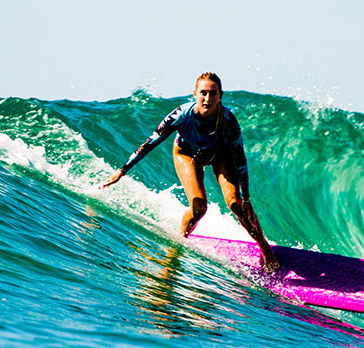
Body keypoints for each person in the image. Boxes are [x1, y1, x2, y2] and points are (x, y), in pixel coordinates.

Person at [101, 72, 281, 271]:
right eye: (203, 93)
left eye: (213, 94)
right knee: (198, 207)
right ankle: (180, 242)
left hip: (219, 155)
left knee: (236, 204)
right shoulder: (180, 115)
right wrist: (123, 170)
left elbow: (239, 158)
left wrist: (246, 198)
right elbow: (150, 142)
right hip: (187, 155)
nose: (207, 98)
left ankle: (265, 249)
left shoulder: (229, 120)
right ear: (194, 93)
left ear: (220, 95)